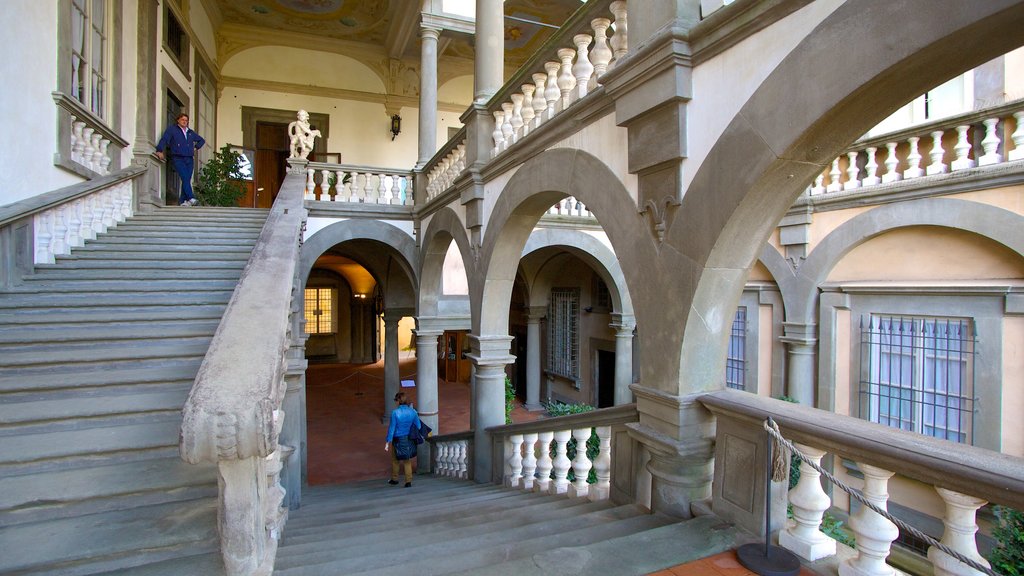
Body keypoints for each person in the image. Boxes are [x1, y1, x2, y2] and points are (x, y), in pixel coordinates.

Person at [155, 112, 205, 206]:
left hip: (189, 159)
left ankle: (183, 201)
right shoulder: (172, 130)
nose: (184, 122)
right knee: (185, 177)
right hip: (178, 157)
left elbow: (202, 140)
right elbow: (164, 139)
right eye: (182, 119)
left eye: (186, 120)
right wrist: (159, 150)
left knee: (187, 179)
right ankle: (191, 198)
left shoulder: (190, 132)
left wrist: (195, 147)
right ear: (178, 120)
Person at [385, 391, 422, 487]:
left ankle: (394, 479)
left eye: (395, 400)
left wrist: (388, 441)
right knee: (407, 459)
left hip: (397, 439)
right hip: (409, 438)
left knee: (395, 460)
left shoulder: (395, 413)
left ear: (398, 401)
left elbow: (392, 428)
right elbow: (418, 425)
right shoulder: (413, 412)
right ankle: (408, 481)